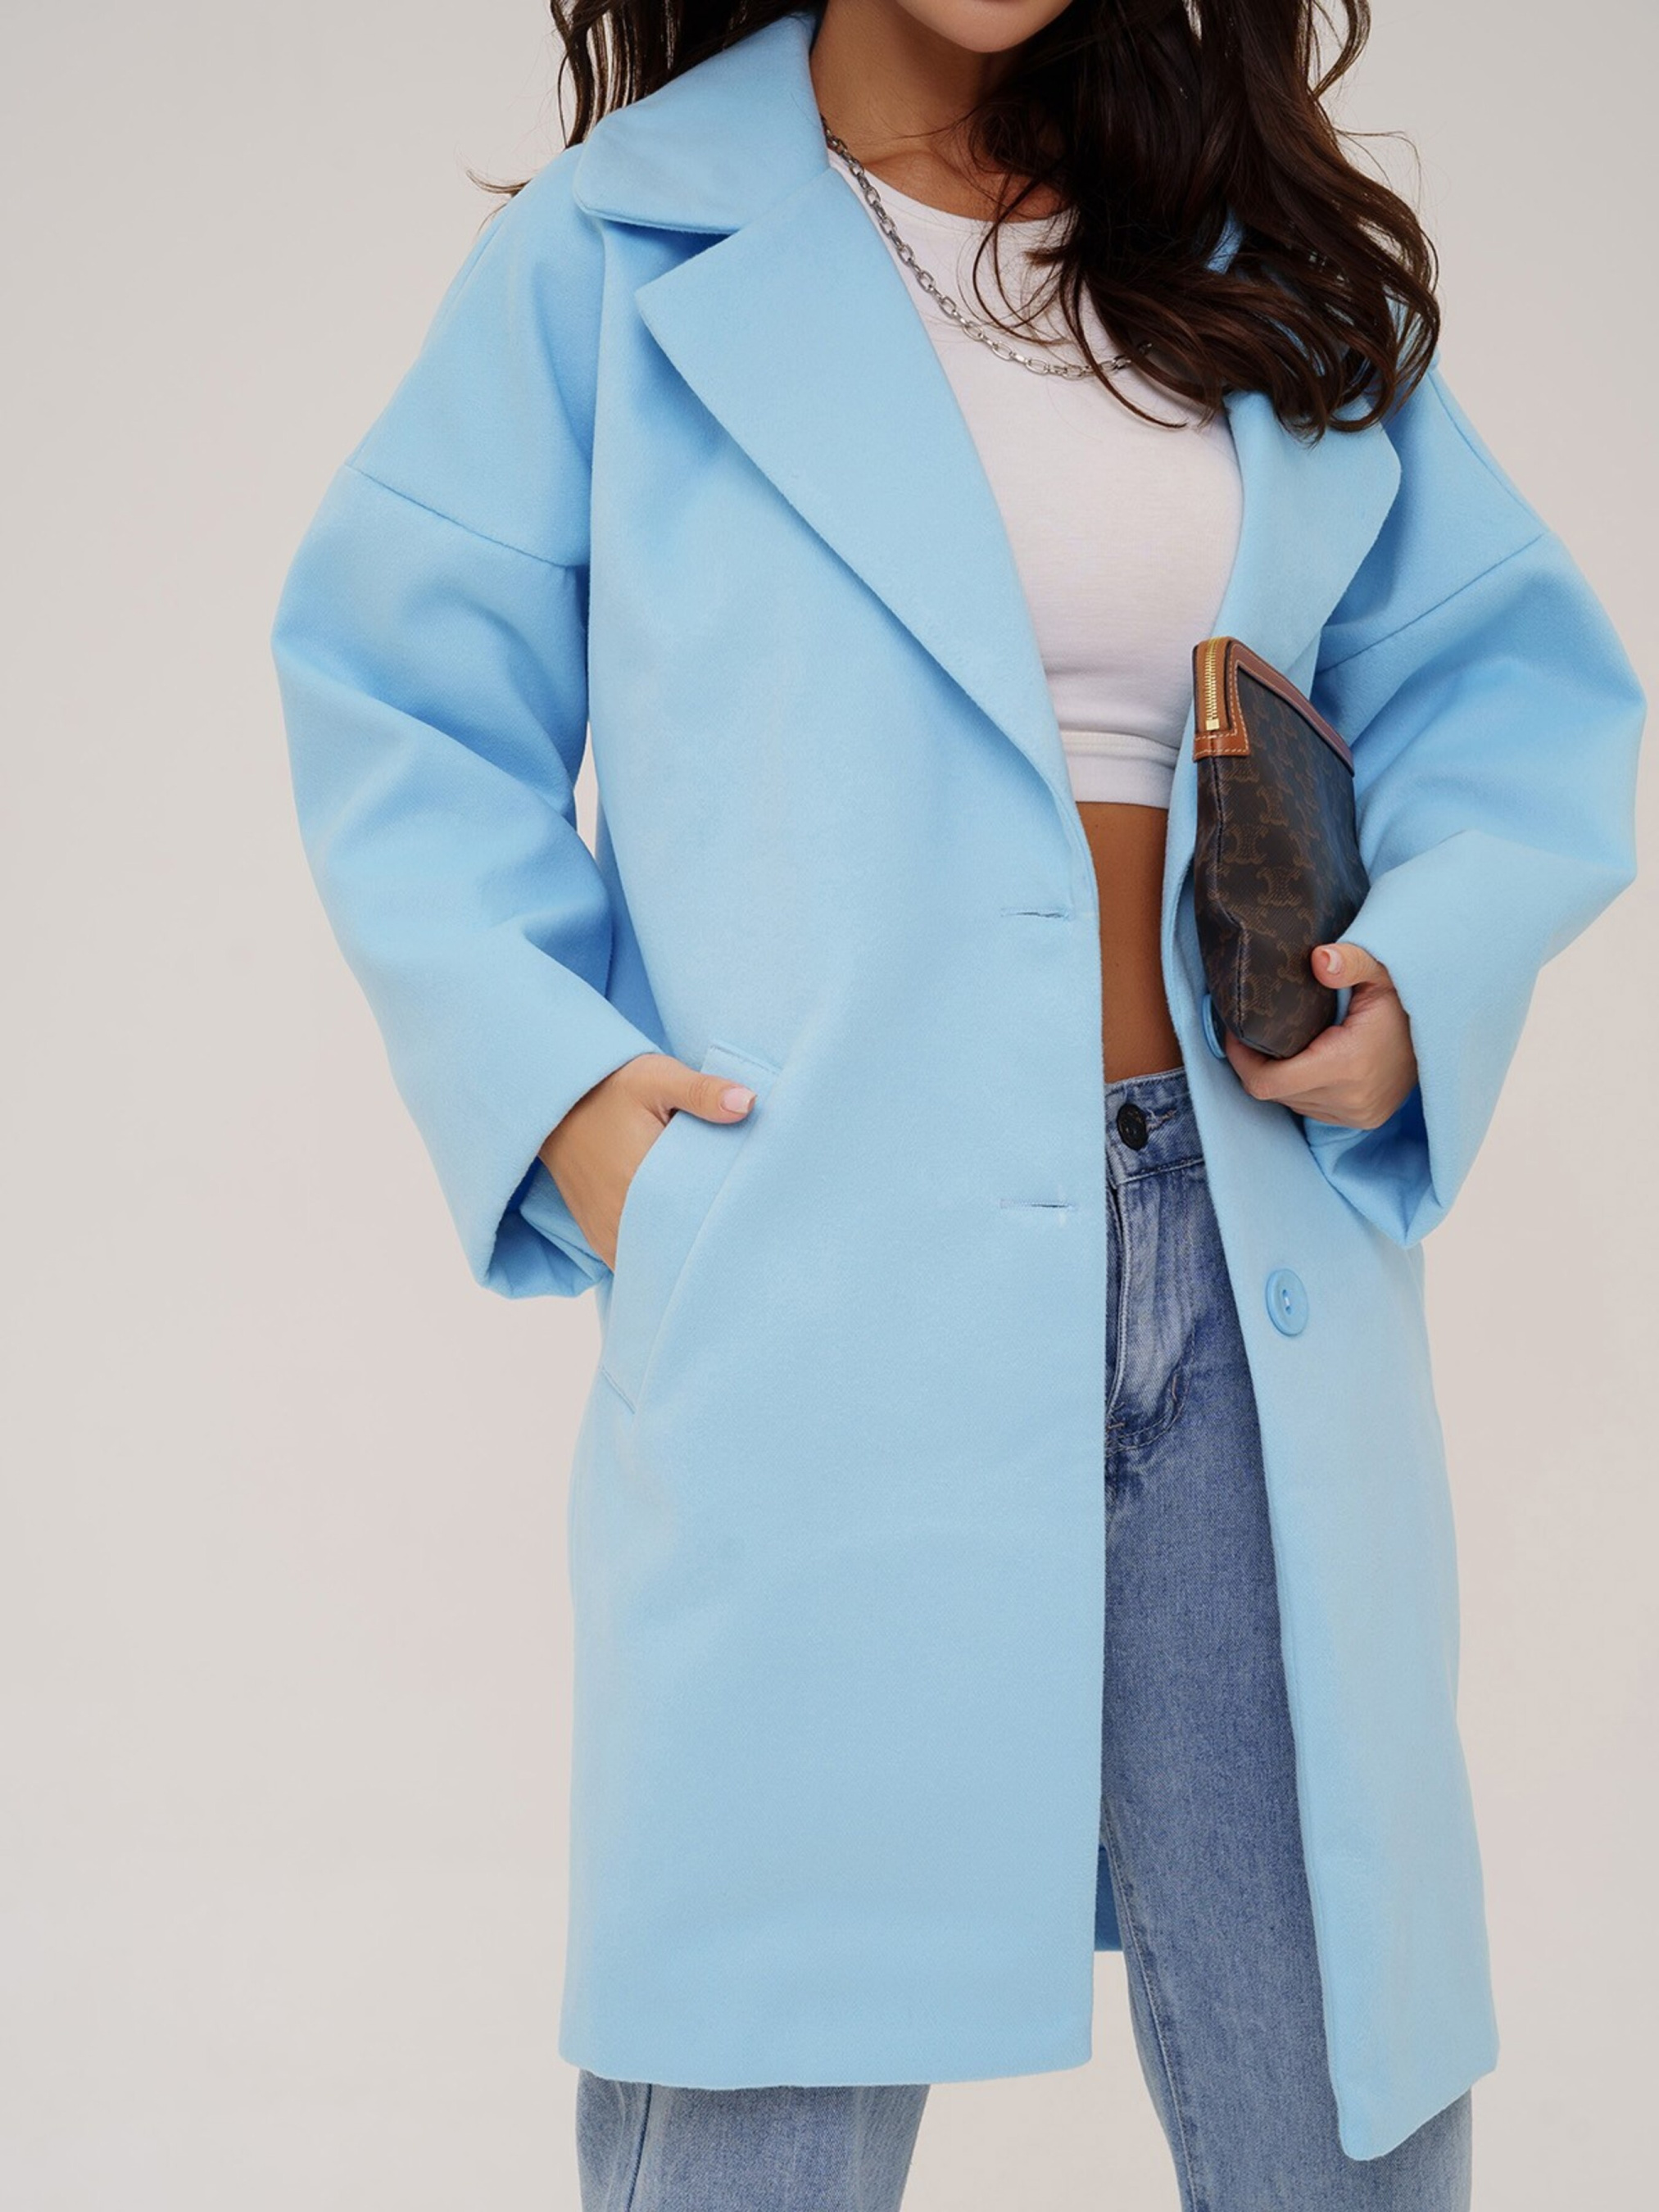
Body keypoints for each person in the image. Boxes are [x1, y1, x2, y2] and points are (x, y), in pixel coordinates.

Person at [270, 2, 1644, 2205]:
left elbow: (1500, 687)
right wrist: (579, 1114)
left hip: (1242, 1260)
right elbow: (398, 700)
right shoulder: (620, 252)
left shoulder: (1249, 253)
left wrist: (1423, 974)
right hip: (817, 1264)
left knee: (1340, 2099)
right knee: (758, 2089)